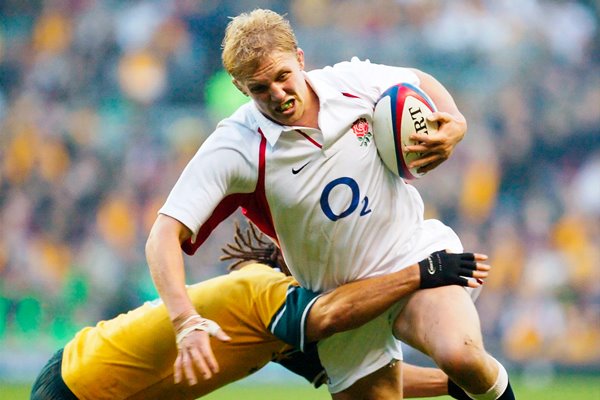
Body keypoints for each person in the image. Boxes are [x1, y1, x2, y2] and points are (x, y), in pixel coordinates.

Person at [145, 8, 516, 400]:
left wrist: (455, 121)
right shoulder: (234, 147)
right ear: (240, 88)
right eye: (259, 88)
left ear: (300, 60)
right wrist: (185, 320)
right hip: (341, 305)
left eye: (282, 76)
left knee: (461, 357)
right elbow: (162, 236)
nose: (277, 94)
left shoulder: (350, 83)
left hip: (410, 255)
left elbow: (416, 80)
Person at [30, 222, 488, 400]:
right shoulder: (265, 291)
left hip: (87, 372)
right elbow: (331, 315)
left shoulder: (271, 325)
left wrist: (455, 384)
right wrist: (423, 272)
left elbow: (366, 377)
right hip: (80, 387)